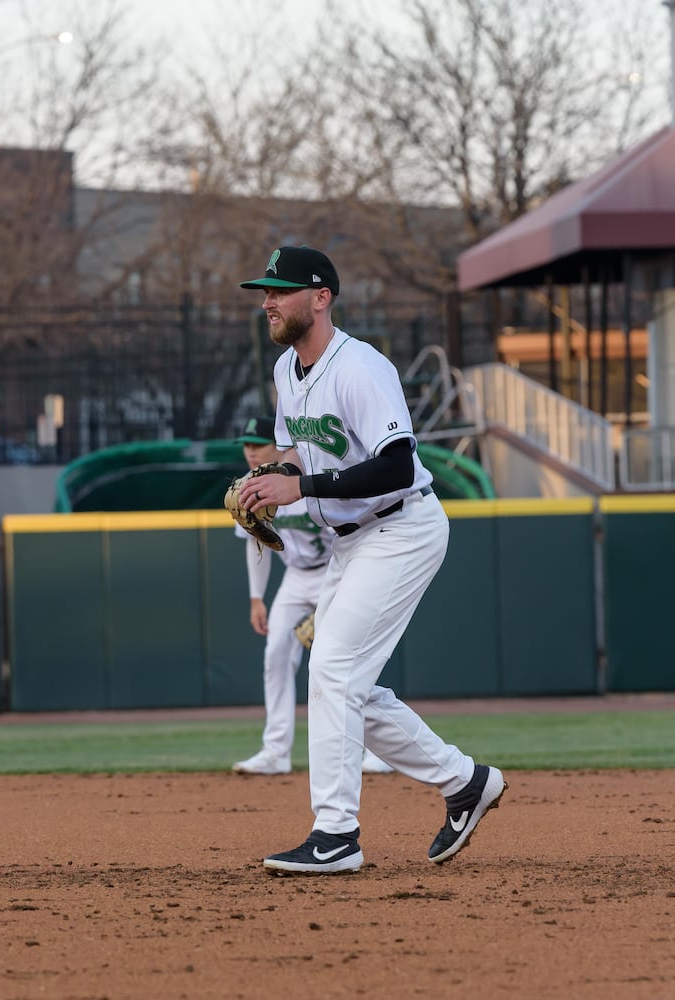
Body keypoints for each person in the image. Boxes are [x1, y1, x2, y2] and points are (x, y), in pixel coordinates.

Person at [237, 245, 505, 875]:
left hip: (401, 528)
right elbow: (297, 454)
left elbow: (395, 462)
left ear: (320, 297)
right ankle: (464, 781)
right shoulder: (285, 371)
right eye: (264, 292)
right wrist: (266, 483)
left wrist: (298, 489)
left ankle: (336, 836)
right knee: (345, 682)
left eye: (279, 290)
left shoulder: (360, 367)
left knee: (331, 667)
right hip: (349, 542)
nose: (268, 301)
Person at [230, 413, 393, 778]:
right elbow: (257, 543)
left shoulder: (302, 480)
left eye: (258, 445)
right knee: (276, 655)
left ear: (279, 447)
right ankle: (276, 751)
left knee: (342, 660)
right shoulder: (252, 488)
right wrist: (257, 597)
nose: (251, 452)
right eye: (246, 445)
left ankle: (378, 750)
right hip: (294, 578)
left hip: (332, 571)